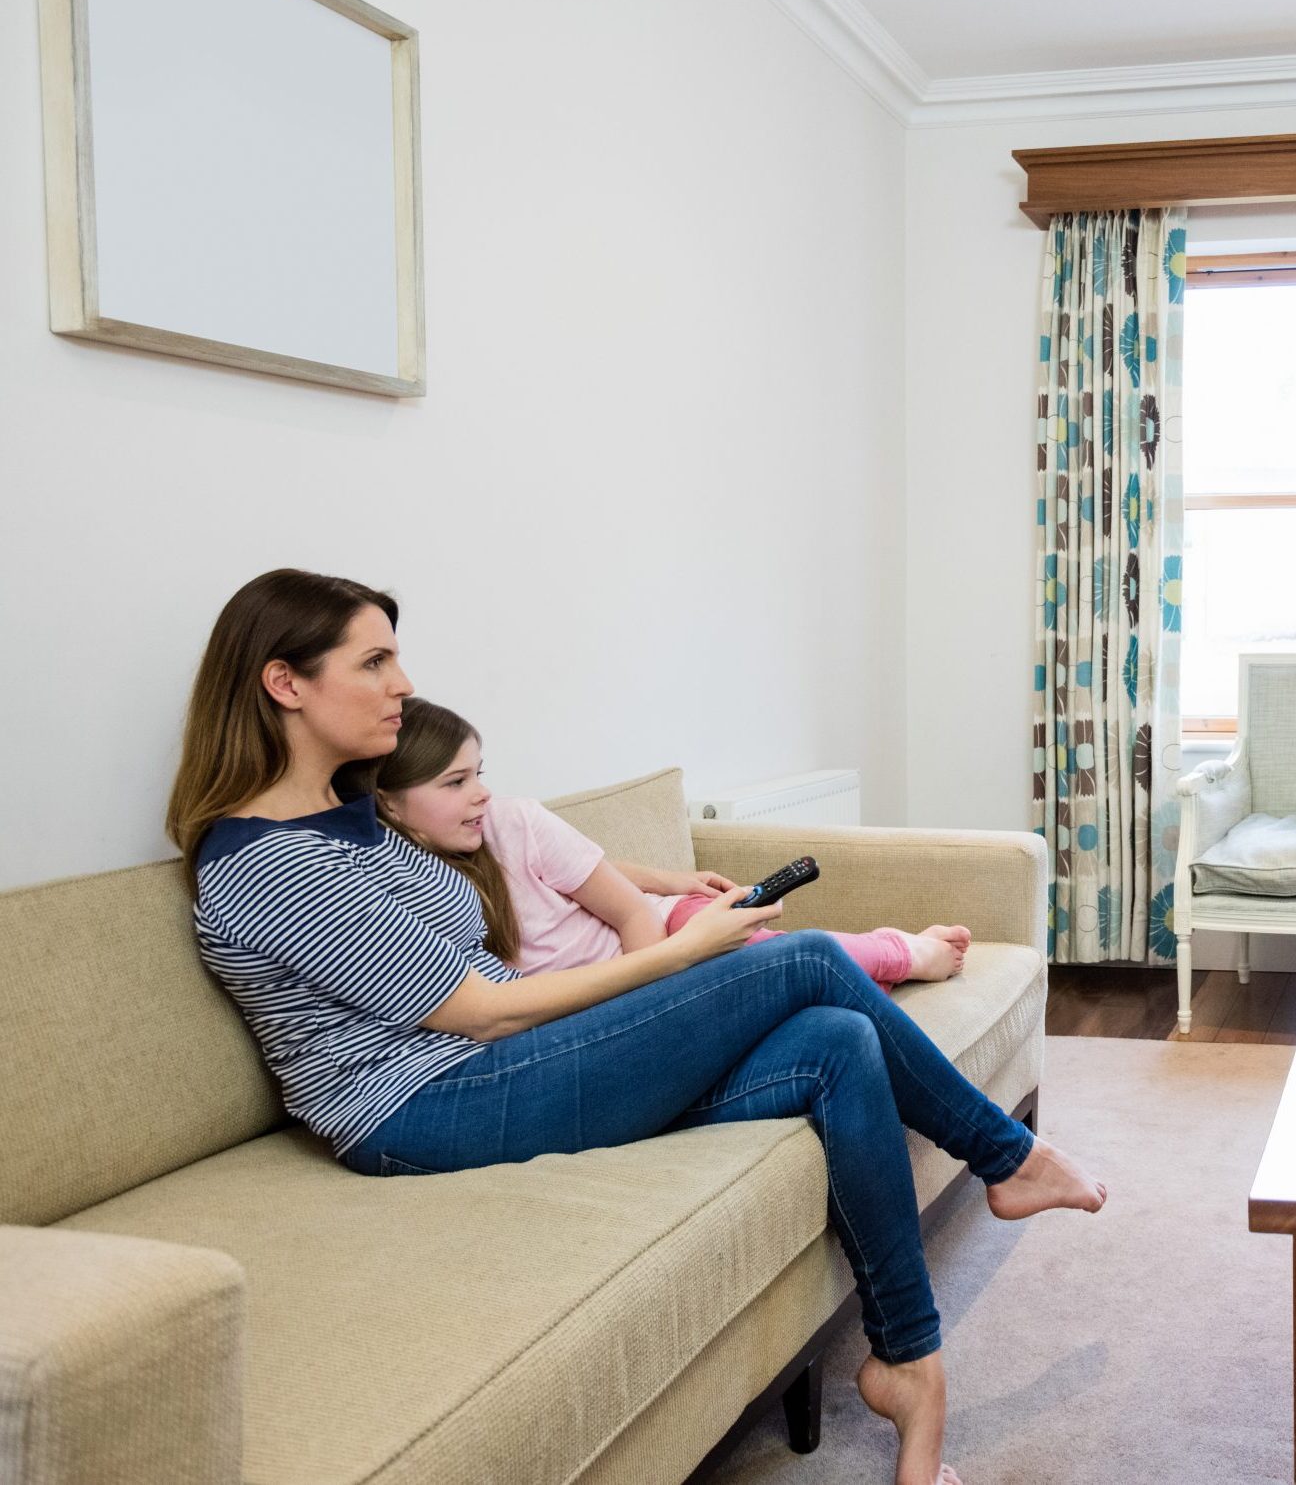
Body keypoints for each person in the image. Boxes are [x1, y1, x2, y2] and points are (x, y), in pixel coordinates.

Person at [167, 569, 1100, 1485]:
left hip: (488, 1065)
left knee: (838, 1041)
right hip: (423, 1105)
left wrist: (660, 891)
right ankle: (1005, 1154)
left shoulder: (352, 818)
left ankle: (905, 1361)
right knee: (806, 960)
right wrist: (685, 958)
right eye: (373, 662)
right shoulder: (262, 863)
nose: (402, 684)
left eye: (397, 660)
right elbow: (481, 1009)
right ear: (284, 683)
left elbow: (522, 870)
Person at [341, 695, 972, 985]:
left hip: (665, 931)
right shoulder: (394, 878)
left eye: (479, 774)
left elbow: (615, 900)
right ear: (387, 806)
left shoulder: (511, 820)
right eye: (455, 782)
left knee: (786, 956)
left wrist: (670, 913)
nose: (479, 792)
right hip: (627, 974)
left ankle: (906, 951)